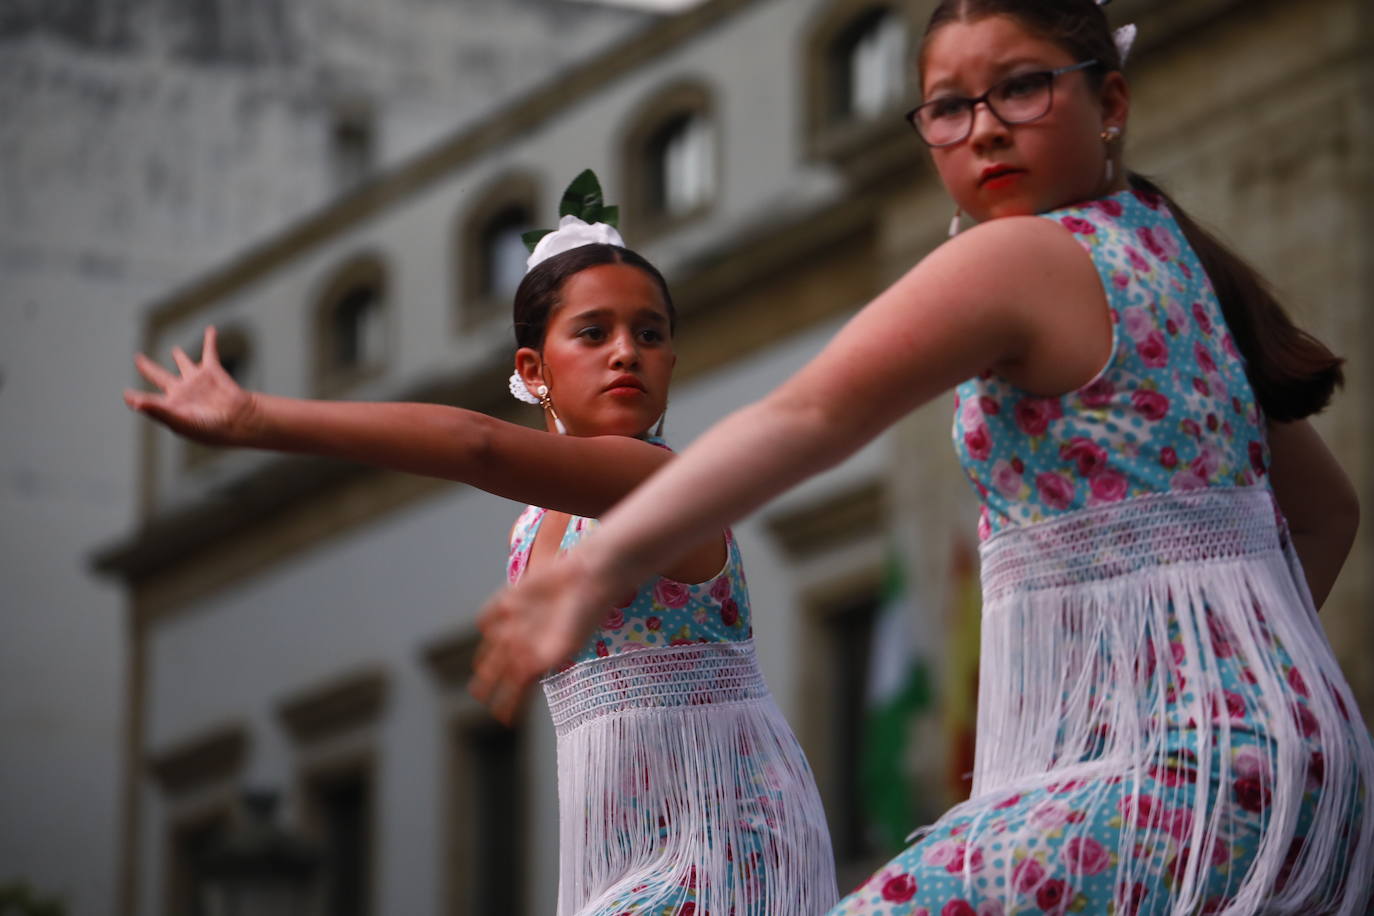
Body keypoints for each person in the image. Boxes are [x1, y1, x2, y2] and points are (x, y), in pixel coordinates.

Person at [469, 4, 1374, 914]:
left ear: (1111, 101)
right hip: (1290, 768)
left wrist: (605, 567)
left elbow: (811, 412)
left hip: (1182, 787)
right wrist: (1242, 682)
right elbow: (1329, 510)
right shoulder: (1177, 260)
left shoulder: (1019, 254)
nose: (983, 127)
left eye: (1021, 88)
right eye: (948, 106)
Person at [123, 177, 838, 915]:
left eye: (650, 333)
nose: (627, 352)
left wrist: (257, 419)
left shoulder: (654, 476)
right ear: (534, 370)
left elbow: (477, 445)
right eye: (594, 333)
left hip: (728, 846)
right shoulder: (534, 525)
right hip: (628, 861)